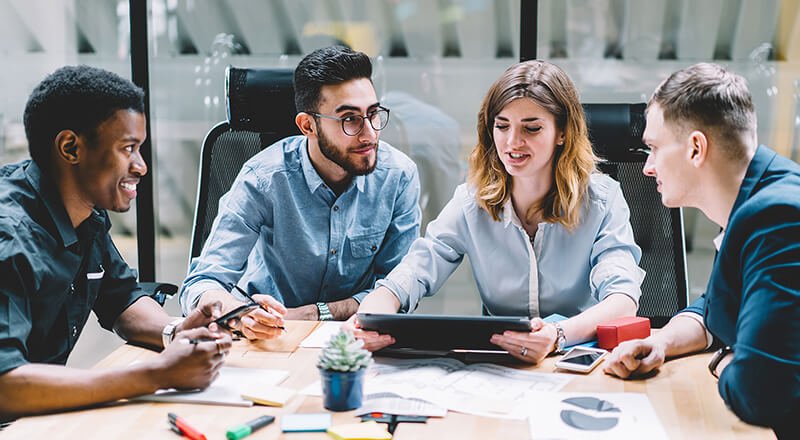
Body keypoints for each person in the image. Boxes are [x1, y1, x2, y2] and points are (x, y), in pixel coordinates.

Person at [350, 60, 645, 364]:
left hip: (578, 361)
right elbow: (414, 271)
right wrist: (369, 318)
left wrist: (556, 335)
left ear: (562, 133)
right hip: (502, 367)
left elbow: (623, 301)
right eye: (502, 126)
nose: (512, 142)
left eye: (531, 128)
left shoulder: (601, 199)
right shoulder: (471, 201)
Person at [0, 65, 232, 421]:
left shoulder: (84, 213)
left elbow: (120, 297)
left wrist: (176, 331)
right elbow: (5, 385)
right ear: (70, 148)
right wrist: (158, 374)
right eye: (128, 148)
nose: (141, 166)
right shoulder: (10, 237)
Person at [602, 63, 799, 437]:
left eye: (654, 148)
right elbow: (714, 307)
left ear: (696, 148)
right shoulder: (756, 201)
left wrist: (722, 359)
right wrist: (660, 342)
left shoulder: (779, 218)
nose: (647, 167)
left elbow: (760, 394)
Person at [180, 45, 421, 336]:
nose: (369, 133)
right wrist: (238, 315)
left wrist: (314, 314)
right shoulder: (263, 179)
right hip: (265, 336)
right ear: (308, 125)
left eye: (373, 113)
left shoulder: (398, 176)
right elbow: (202, 283)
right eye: (349, 119)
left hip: (351, 336)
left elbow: (399, 288)